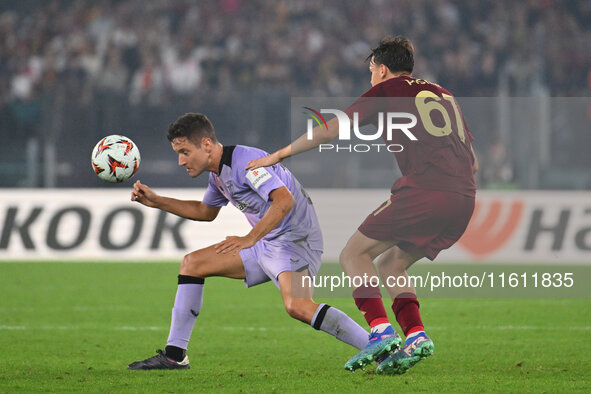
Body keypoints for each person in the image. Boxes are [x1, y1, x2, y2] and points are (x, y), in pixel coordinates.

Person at [246, 36, 478, 375]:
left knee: (352, 255)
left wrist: (278, 155)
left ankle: (380, 331)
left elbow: (328, 131)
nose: (370, 79)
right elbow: (470, 160)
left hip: (426, 191)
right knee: (391, 265)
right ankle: (415, 335)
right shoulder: (445, 94)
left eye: (371, 71)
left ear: (382, 70)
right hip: (464, 198)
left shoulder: (386, 91)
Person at [127, 113, 369, 370]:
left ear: (206, 144)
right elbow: (205, 212)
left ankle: (376, 343)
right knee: (192, 264)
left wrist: (249, 238)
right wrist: (156, 201)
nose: (180, 161)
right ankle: (174, 355)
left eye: (185, 152)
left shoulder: (245, 163)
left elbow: (285, 200)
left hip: (295, 240)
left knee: (298, 306)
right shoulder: (218, 174)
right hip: (267, 242)